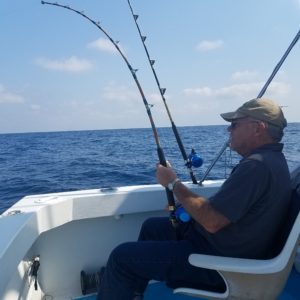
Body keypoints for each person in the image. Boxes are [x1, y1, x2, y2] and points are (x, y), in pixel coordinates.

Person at [96, 98, 291, 300]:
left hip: (219, 263)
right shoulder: (273, 161)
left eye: (234, 125)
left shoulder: (256, 167)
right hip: (229, 245)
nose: (228, 131)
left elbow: (212, 222)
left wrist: (173, 183)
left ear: (257, 128)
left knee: (121, 258)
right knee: (152, 227)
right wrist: (187, 205)